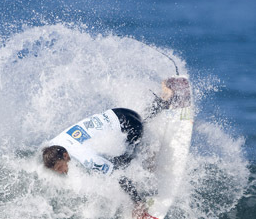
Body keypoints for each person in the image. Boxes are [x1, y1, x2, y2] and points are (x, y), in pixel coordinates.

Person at [41, 77, 190, 204]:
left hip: (132, 126)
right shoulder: (56, 142)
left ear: (65, 156)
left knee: (124, 162)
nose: (61, 172)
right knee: (136, 126)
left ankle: (152, 157)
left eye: (60, 167)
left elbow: (117, 174)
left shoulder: (86, 157)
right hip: (119, 113)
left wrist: (137, 201)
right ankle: (164, 98)